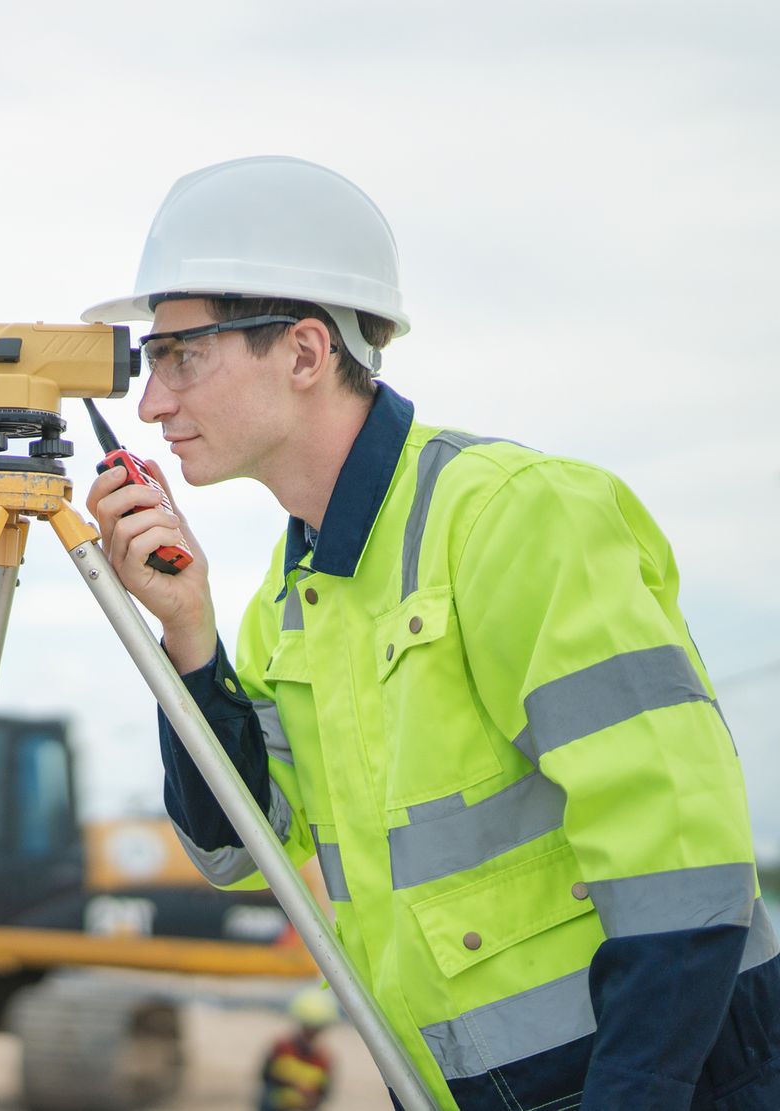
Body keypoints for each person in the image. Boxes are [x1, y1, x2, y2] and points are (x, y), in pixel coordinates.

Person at [81, 155, 780, 1110]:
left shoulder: (515, 516)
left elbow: (682, 861)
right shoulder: (286, 603)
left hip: (673, 1074)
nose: (152, 402)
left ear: (303, 351)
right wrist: (189, 638)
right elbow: (242, 853)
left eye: (180, 355)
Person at [260, 988, 336, 1111]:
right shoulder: (282, 1048)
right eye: (308, 1028)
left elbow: (324, 1094)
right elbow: (266, 1079)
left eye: (315, 1029)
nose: (311, 1034)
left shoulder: (324, 1059)